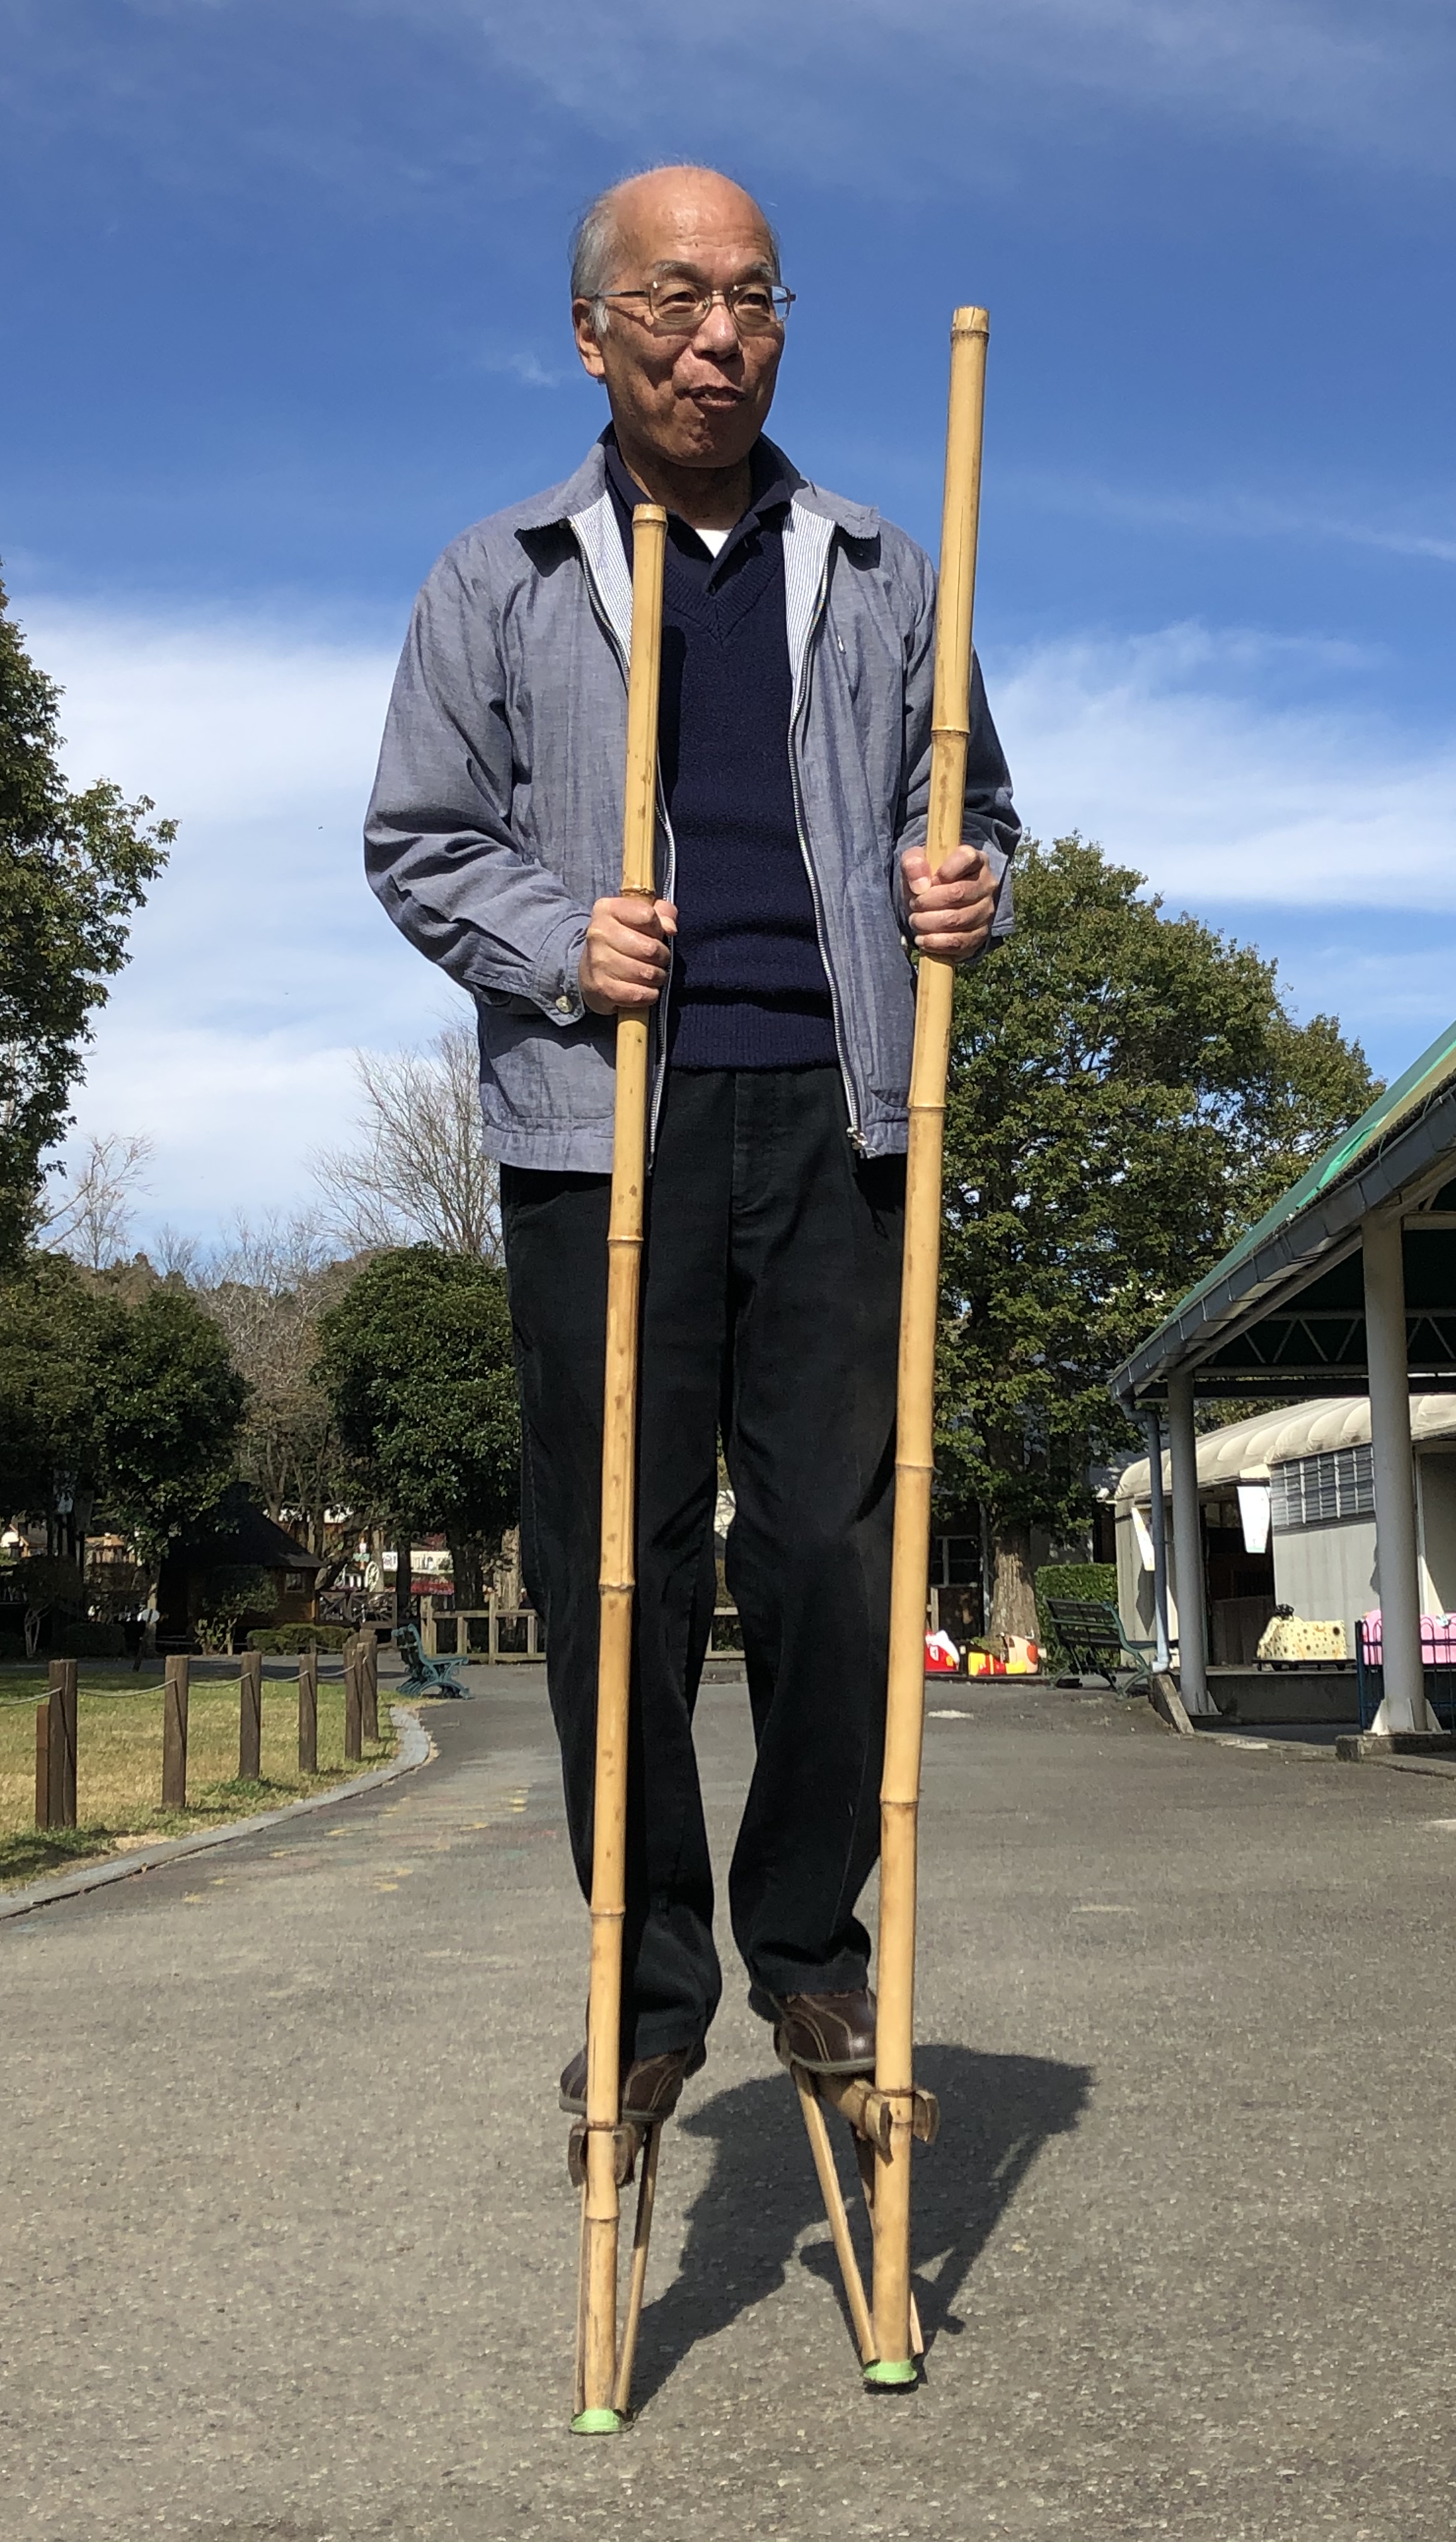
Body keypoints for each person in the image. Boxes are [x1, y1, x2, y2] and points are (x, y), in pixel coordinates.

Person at [365, 164, 1018, 2125]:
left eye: (755, 297)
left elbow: (977, 808)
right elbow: (420, 840)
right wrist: (564, 938)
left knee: (832, 1547)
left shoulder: (887, 568)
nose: (720, 335)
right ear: (593, 333)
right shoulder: (500, 576)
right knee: (612, 1566)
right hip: (604, 1126)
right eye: (673, 298)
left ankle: (808, 1949)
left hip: (842, 1112)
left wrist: (972, 884)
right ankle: (649, 1983)